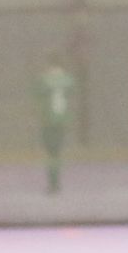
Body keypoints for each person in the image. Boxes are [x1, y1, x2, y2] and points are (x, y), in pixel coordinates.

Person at [35, 53, 75, 194]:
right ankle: (56, 183)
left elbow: (38, 96)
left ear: (49, 64)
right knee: (57, 152)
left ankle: (53, 184)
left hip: (48, 119)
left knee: (50, 153)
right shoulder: (68, 79)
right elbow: (71, 91)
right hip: (62, 119)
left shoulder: (44, 79)